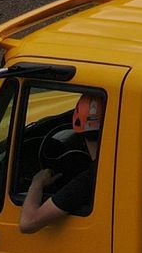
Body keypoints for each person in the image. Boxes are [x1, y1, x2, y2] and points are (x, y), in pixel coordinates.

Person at [20, 90, 106, 233]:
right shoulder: (127, 167)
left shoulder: (89, 179)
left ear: (78, 126)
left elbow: (28, 223)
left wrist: (37, 183)